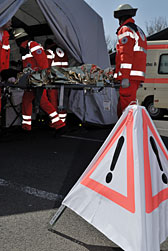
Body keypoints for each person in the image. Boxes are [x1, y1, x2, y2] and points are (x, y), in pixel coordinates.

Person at [13, 28, 66, 131]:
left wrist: (42, 78)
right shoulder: (24, 49)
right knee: (26, 100)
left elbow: (43, 62)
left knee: (43, 102)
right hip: (31, 81)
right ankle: (26, 126)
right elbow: (28, 66)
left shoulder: (32, 45)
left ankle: (59, 125)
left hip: (38, 80)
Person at [113, 4, 147, 117]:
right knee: (124, 107)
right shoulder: (138, 30)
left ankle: (128, 133)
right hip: (135, 77)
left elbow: (125, 56)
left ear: (121, 17)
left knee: (126, 110)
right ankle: (124, 132)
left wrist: (125, 77)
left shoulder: (125, 29)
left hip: (129, 77)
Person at [44, 38, 69, 124]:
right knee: (62, 101)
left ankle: (55, 123)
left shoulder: (49, 51)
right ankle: (63, 121)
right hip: (64, 79)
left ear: (47, 45)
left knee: (53, 101)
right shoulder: (63, 51)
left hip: (53, 79)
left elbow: (45, 66)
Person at [0, 20, 12, 113]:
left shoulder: (6, 38)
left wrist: (6, 75)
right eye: (9, 21)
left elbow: (6, 60)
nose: (10, 24)